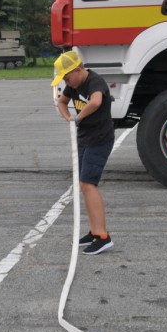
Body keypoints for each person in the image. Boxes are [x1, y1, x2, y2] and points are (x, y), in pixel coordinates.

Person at [52, 51, 115, 255]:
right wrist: (68, 117)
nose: (67, 83)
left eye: (67, 78)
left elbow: (95, 102)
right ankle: (94, 232)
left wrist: (78, 118)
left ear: (78, 70)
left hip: (100, 139)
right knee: (83, 184)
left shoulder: (95, 82)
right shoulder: (73, 85)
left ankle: (103, 236)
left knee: (88, 184)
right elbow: (61, 102)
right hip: (84, 139)